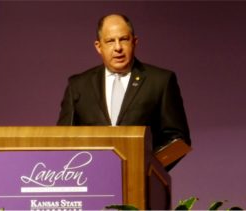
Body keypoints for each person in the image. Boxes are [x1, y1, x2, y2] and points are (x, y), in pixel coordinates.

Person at [57, 14, 191, 169]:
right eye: (110, 41)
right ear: (98, 46)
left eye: (123, 39)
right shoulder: (78, 85)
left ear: (134, 42)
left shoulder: (160, 81)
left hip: (141, 184)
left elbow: (178, 141)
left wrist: (147, 170)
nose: (118, 47)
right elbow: (63, 140)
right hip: (91, 183)